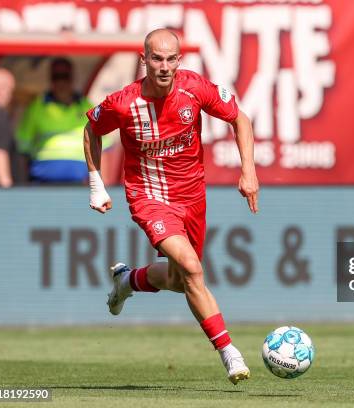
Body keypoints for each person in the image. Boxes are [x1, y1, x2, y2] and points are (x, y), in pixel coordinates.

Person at [83, 29, 259, 384]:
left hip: (192, 197)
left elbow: (240, 118)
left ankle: (127, 280)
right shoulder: (123, 102)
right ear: (143, 59)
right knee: (193, 270)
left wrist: (249, 172)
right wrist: (95, 183)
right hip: (149, 197)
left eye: (170, 59)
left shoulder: (195, 89)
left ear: (180, 60)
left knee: (181, 279)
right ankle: (229, 352)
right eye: (156, 58)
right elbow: (91, 130)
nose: (163, 67)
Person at [17, 57, 97, 182]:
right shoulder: (37, 107)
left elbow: (104, 147)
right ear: (51, 79)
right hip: (42, 182)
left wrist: (101, 185)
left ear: (72, 78)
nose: (61, 82)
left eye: (65, 76)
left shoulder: (87, 107)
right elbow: (22, 148)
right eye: (57, 77)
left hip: (80, 184)